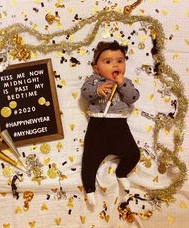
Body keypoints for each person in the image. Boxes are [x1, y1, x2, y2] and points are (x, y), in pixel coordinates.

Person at [81, 40, 140, 205]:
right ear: (96, 68)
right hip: (97, 126)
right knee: (89, 160)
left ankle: (121, 173)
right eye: (108, 62)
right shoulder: (94, 81)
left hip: (119, 127)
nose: (115, 65)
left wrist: (122, 84)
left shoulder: (125, 82)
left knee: (133, 154)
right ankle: (90, 189)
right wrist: (97, 91)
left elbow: (133, 97)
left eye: (120, 61)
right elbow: (85, 93)